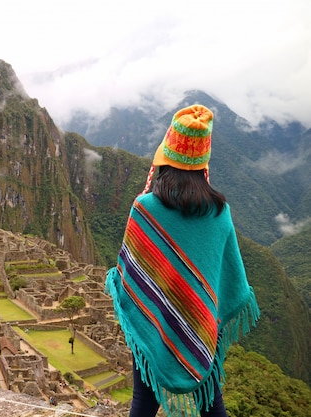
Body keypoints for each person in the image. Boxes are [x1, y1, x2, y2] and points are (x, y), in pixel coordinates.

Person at [105, 104, 260, 417]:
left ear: (167, 155)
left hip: (154, 323)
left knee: (143, 403)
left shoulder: (145, 208)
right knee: (211, 402)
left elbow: (129, 276)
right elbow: (229, 280)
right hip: (202, 326)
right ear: (204, 159)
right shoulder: (219, 212)